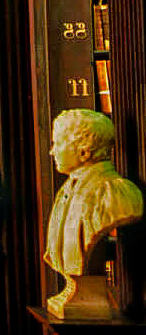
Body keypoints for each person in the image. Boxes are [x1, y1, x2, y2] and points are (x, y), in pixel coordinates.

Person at [44, 109, 144, 317]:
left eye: (58, 143)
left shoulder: (116, 194)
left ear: (84, 150)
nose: (52, 152)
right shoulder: (66, 190)